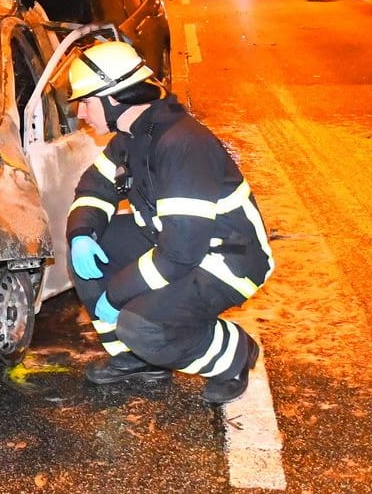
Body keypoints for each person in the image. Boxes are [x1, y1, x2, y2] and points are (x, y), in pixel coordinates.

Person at [62, 41, 274, 404]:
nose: (82, 113)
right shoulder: (133, 137)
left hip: (229, 258)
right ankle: (140, 358)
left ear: (115, 98)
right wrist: (82, 231)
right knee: (91, 253)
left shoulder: (181, 145)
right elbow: (95, 187)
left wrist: (117, 295)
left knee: (143, 324)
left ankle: (233, 354)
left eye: (86, 101)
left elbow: (180, 255)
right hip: (176, 243)